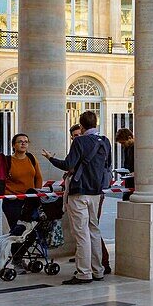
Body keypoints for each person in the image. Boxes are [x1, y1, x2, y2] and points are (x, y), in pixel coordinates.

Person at [42, 111, 111, 285]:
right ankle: (98, 270)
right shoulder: (105, 141)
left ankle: (83, 273)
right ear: (96, 123)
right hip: (96, 192)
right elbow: (107, 165)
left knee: (81, 234)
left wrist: (51, 158)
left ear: (81, 125)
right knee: (94, 231)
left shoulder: (79, 141)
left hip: (79, 191)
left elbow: (68, 164)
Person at [0, 133, 43, 229]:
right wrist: (7, 194)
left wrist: (36, 193)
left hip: (30, 200)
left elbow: (38, 177)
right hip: (13, 202)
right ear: (13, 145)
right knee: (17, 231)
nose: (23, 144)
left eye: (26, 142)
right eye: (20, 142)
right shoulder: (7, 160)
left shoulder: (31, 158)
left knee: (32, 230)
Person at [115, 128, 135, 199]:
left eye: (123, 143)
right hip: (129, 179)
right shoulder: (127, 148)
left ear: (130, 138)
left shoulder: (137, 148)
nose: (123, 145)